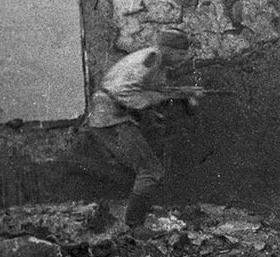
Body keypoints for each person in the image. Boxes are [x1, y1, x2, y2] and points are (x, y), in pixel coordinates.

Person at [84, 29, 203, 231]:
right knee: (150, 170)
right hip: (111, 118)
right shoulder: (151, 58)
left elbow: (153, 90)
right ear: (167, 49)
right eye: (181, 53)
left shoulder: (158, 63)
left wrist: (184, 94)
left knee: (148, 167)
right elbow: (124, 91)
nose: (184, 59)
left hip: (116, 117)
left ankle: (138, 216)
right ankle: (134, 226)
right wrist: (158, 99)